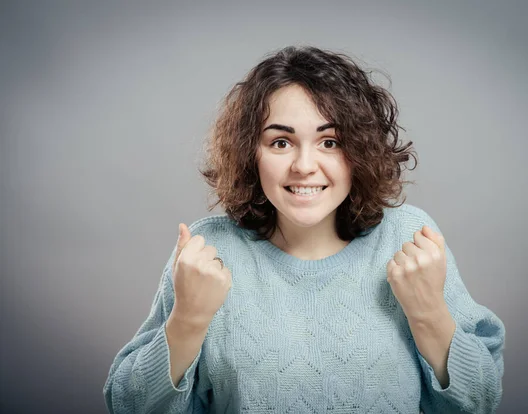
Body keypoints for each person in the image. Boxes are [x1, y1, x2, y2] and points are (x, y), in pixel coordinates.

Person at [103, 45, 505, 413]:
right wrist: (188, 319)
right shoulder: (208, 251)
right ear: (250, 154)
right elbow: (128, 405)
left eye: (329, 142)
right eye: (281, 143)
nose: (304, 165)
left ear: (359, 152)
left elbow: (481, 401)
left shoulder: (409, 238)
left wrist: (429, 313)